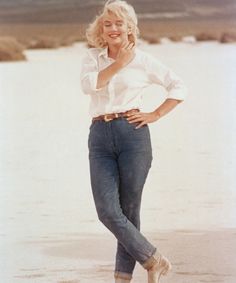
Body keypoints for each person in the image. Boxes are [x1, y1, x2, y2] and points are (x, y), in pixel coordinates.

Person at [80, 1, 187, 282]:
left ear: (130, 28)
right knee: (107, 211)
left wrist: (156, 113)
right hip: (99, 136)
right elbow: (88, 85)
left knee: (129, 211)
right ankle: (153, 259)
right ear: (101, 29)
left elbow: (179, 86)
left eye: (119, 23)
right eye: (108, 23)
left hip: (133, 134)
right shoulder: (93, 57)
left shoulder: (144, 60)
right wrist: (118, 65)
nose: (113, 28)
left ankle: (123, 278)